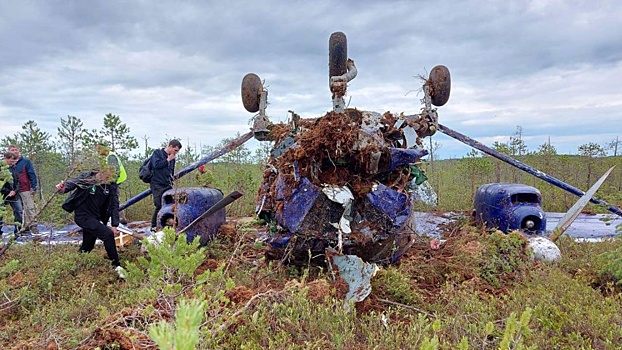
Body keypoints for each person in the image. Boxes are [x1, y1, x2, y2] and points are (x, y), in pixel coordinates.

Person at [55, 167, 125, 277]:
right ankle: (117, 266)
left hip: (95, 218)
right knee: (107, 234)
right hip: (82, 216)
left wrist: (114, 224)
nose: (109, 177)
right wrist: (63, 188)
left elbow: (114, 205)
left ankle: (73, 266)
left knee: (88, 245)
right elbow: (72, 183)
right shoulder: (88, 178)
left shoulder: (111, 186)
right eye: (108, 174)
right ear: (101, 170)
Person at [149, 139, 182, 231]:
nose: (176, 153)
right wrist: (168, 160)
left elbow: (171, 172)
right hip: (157, 184)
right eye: (175, 150)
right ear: (170, 146)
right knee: (159, 205)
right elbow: (156, 165)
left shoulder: (172, 159)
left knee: (170, 205)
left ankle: (168, 225)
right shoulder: (157, 153)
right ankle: (154, 226)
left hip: (167, 184)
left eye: (177, 151)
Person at [8, 145, 38, 234]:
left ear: (19, 150)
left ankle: (33, 226)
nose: (14, 151)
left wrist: (33, 187)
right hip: (11, 190)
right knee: (18, 210)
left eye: (16, 150)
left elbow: (31, 174)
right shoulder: (7, 163)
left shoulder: (25, 162)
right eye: (12, 150)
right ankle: (21, 227)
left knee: (29, 207)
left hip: (25, 188)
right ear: (9, 151)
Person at [1, 152, 21, 233]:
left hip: (14, 195)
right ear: (5, 158)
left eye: (14, 161)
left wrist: (15, 191)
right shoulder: (1, 168)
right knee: (0, 214)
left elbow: (18, 181)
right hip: (2, 195)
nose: (12, 163)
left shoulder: (14, 168)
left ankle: (18, 230)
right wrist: (8, 191)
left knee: (19, 211)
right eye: (11, 161)